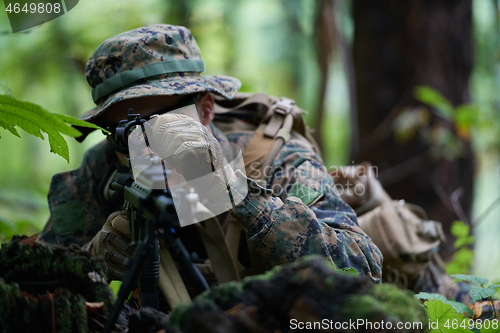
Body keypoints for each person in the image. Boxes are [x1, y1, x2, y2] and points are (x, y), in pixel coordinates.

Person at [37, 24, 382, 293]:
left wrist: (241, 196)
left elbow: (360, 269)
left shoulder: (273, 157)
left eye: (161, 123)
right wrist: (93, 260)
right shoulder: (103, 169)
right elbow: (31, 289)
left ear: (205, 109)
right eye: (126, 131)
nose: (145, 146)